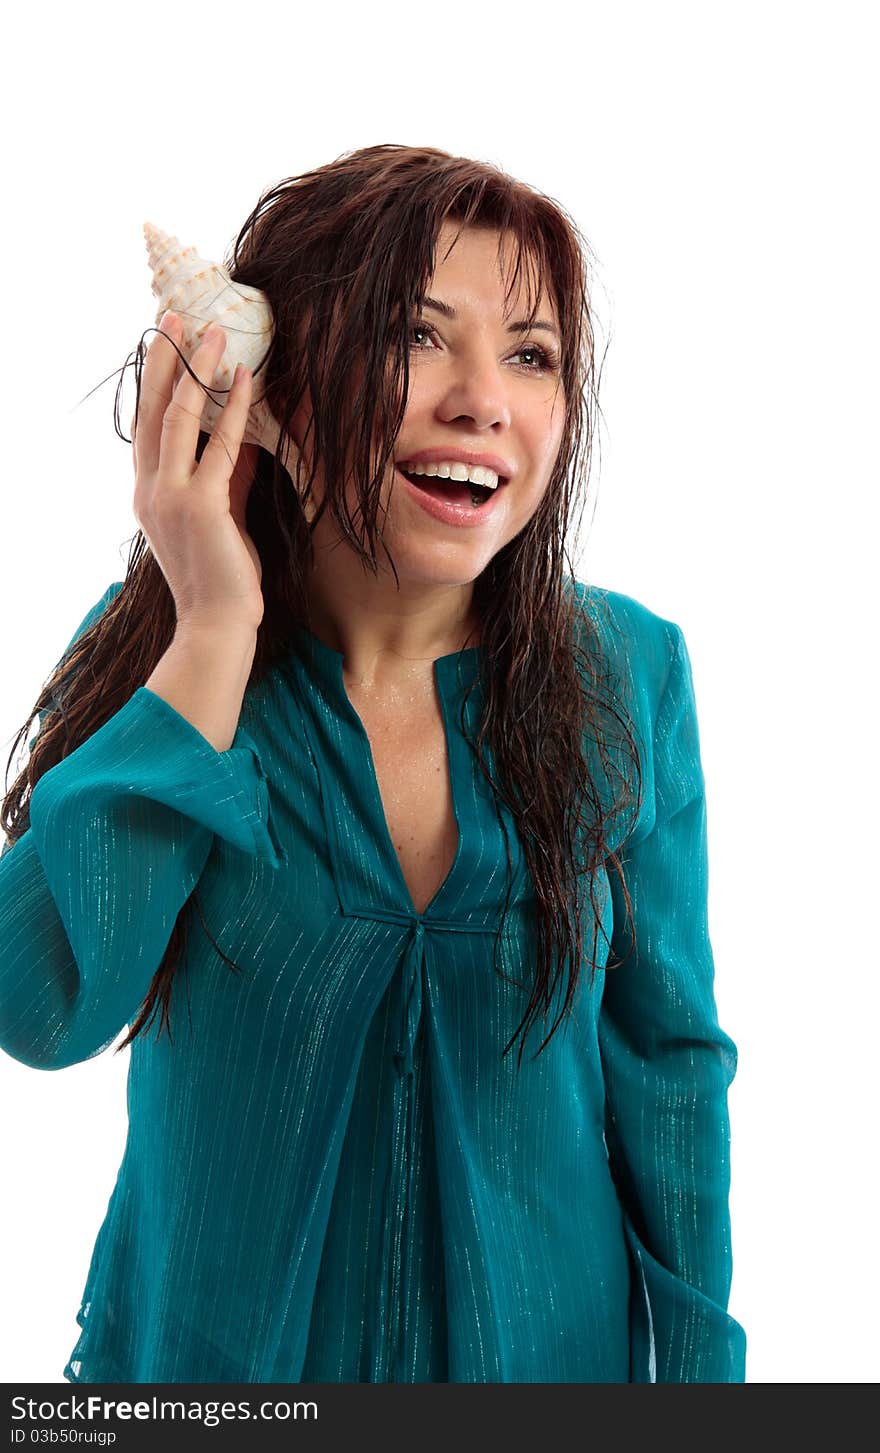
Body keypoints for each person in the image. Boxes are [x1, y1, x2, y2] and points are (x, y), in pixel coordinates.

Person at [0, 144, 746, 1383]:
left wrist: (706, 1385)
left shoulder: (630, 674)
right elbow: (42, 1009)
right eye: (415, 336)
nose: (482, 401)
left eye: (530, 354)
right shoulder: (170, 658)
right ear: (280, 391)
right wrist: (212, 632)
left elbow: (671, 1066)